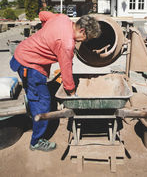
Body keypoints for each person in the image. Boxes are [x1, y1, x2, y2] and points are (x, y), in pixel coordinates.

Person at [10, 11, 101, 152]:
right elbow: (66, 74)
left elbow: (42, 15)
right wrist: (72, 94)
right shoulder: (66, 44)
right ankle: (36, 141)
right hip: (30, 65)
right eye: (86, 38)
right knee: (43, 103)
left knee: (37, 96)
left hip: (22, 52)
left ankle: (31, 100)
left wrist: (46, 34)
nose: (83, 41)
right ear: (82, 30)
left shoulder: (63, 19)